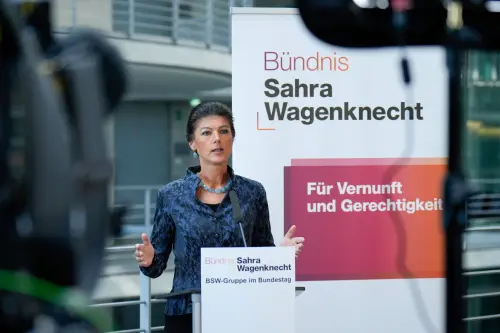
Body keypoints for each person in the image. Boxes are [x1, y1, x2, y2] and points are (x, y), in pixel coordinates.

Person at [134, 101, 305, 333]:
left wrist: (279, 255)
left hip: (242, 312)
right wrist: (149, 259)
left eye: (224, 131)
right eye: (207, 132)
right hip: (187, 314)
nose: (217, 138)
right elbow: (155, 268)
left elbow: (259, 257)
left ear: (232, 139)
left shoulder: (252, 193)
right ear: (192, 143)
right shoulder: (172, 195)